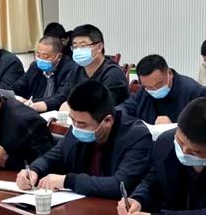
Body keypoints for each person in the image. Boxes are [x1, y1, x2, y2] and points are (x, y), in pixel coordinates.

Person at [18, 80, 152, 198]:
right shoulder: (77, 126)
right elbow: (52, 157)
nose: (76, 127)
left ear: (107, 121)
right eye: (73, 120)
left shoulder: (136, 137)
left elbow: (119, 185)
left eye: (82, 124)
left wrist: (68, 181)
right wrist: (34, 170)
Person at [123, 54, 206, 124]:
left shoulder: (195, 92)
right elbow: (125, 108)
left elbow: (205, 127)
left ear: (170, 74)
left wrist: (175, 128)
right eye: (149, 87)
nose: (154, 89)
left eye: (159, 84)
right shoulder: (144, 90)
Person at [64, 24, 129, 106]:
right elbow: (63, 95)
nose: (78, 50)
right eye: (75, 47)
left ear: (99, 47)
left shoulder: (113, 73)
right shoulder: (76, 70)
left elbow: (104, 106)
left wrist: (73, 106)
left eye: (83, 46)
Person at [11, 35, 77, 113]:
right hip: (35, 110)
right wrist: (13, 95)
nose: (40, 59)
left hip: (56, 112)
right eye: (38, 55)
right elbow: (20, 85)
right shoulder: (35, 66)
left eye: (45, 56)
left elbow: (61, 96)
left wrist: (32, 103)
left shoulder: (71, 69)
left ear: (58, 56)